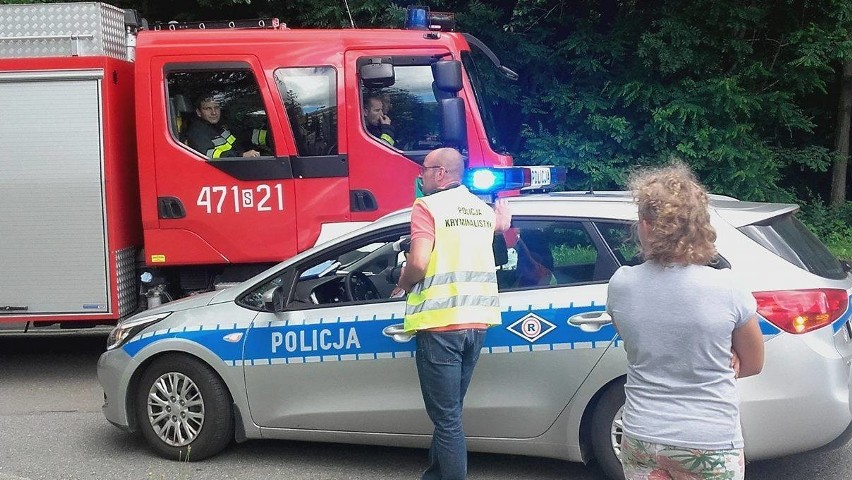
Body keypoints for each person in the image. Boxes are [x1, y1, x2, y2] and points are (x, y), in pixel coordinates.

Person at [606, 161, 764, 480]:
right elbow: (753, 364)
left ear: (647, 227)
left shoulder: (621, 283)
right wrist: (725, 357)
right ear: (698, 225)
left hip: (642, 435)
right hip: (709, 440)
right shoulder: (727, 287)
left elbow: (641, 343)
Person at [390, 147, 511, 480]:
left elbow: (417, 262)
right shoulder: (480, 209)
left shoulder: (427, 207)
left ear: (440, 173)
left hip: (441, 325)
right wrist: (501, 223)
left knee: (446, 419)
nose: (420, 175)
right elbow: (494, 228)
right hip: (477, 323)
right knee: (450, 414)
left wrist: (402, 283)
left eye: (424, 170)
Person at [185, 94, 261, 159]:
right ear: (199, 112)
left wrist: (268, 136)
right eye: (208, 108)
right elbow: (209, 156)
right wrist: (241, 155)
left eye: (216, 107)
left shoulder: (220, 125)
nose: (214, 112)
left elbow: (243, 135)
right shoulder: (197, 131)